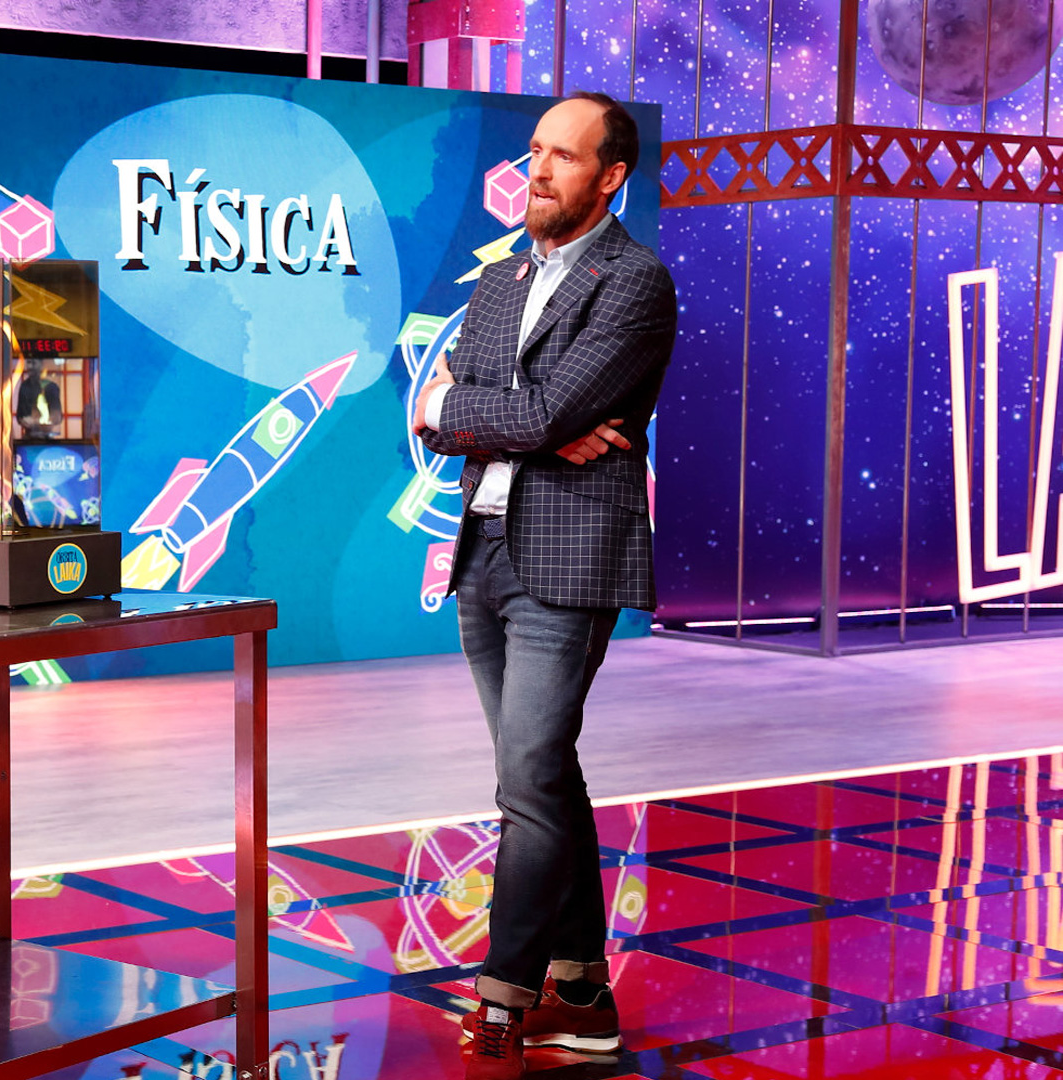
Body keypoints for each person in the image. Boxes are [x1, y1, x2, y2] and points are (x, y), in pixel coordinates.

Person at [409, 91, 677, 1080]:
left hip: (568, 559)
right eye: (535, 151)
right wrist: (516, 418)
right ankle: (585, 996)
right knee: (544, 774)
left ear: (611, 177)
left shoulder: (635, 280)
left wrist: (502, 414)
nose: (539, 169)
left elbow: (531, 409)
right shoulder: (499, 279)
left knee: (526, 777)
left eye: (564, 156)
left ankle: (503, 997)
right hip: (483, 549)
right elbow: (448, 407)